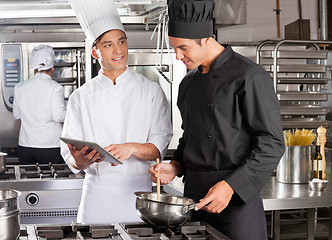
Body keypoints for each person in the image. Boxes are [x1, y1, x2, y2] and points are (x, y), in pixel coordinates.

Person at [149, 0, 285, 239]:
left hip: (235, 202)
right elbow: (189, 139)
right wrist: (174, 167)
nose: (178, 56)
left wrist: (229, 187)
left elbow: (272, 144)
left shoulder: (249, 77)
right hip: (194, 203)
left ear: (206, 39)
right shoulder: (188, 83)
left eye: (183, 48)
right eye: (174, 48)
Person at [61, 0, 172, 224]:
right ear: (95, 52)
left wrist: (131, 147)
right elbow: (70, 156)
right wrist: (80, 162)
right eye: (108, 45)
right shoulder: (80, 97)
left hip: (139, 197)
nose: (119, 50)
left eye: (122, 41)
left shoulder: (151, 90)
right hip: (96, 196)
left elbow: (159, 147)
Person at [13, 44, 66, 165]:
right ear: (52, 67)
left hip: (26, 146)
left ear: (34, 68)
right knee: (53, 182)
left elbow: (16, 115)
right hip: (50, 146)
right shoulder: (56, 88)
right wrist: (72, 112)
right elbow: (58, 116)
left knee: (29, 182)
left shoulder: (19, 87)